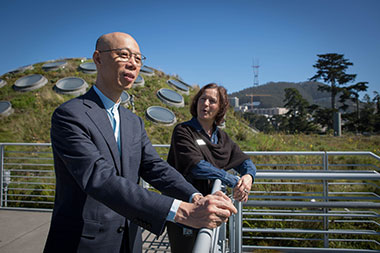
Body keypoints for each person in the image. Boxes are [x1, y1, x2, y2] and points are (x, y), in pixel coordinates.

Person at [44, 32, 237, 253]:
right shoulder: (70, 115)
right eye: (124, 55)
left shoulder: (133, 121)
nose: (133, 64)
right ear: (98, 59)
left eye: (138, 58)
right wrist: (182, 211)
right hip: (83, 242)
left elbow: (155, 167)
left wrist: (196, 197)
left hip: (130, 238)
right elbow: (99, 178)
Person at [166, 83, 257, 253]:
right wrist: (233, 180)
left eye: (212, 101)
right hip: (185, 207)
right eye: (202, 99)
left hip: (210, 209)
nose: (205, 104)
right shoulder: (184, 131)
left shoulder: (221, 137)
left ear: (220, 108)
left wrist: (248, 178)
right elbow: (196, 166)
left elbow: (244, 161)